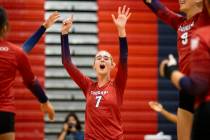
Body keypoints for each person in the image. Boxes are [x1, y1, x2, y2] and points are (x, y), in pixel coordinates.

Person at [60, 5, 130, 139]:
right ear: (94, 65)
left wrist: (121, 30)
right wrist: (64, 34)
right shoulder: (88, 86)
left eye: (106, 58)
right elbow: (67, 63)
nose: (102, 60)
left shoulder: (118, 85)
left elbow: (124, 58)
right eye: (98, 58)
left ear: (112, 65)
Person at [143, 0, 210, 139]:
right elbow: (162, 11)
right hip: (185, 87)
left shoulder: (204, 19)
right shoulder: (180, 23)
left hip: (203, 89)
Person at [0, 7, 55, 140]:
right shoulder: (14, 52)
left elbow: (22, 51)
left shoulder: (16, 53)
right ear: (6, 27)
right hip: (4, 113)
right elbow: (31, 81)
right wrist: (44, 101)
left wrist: (43, 27)